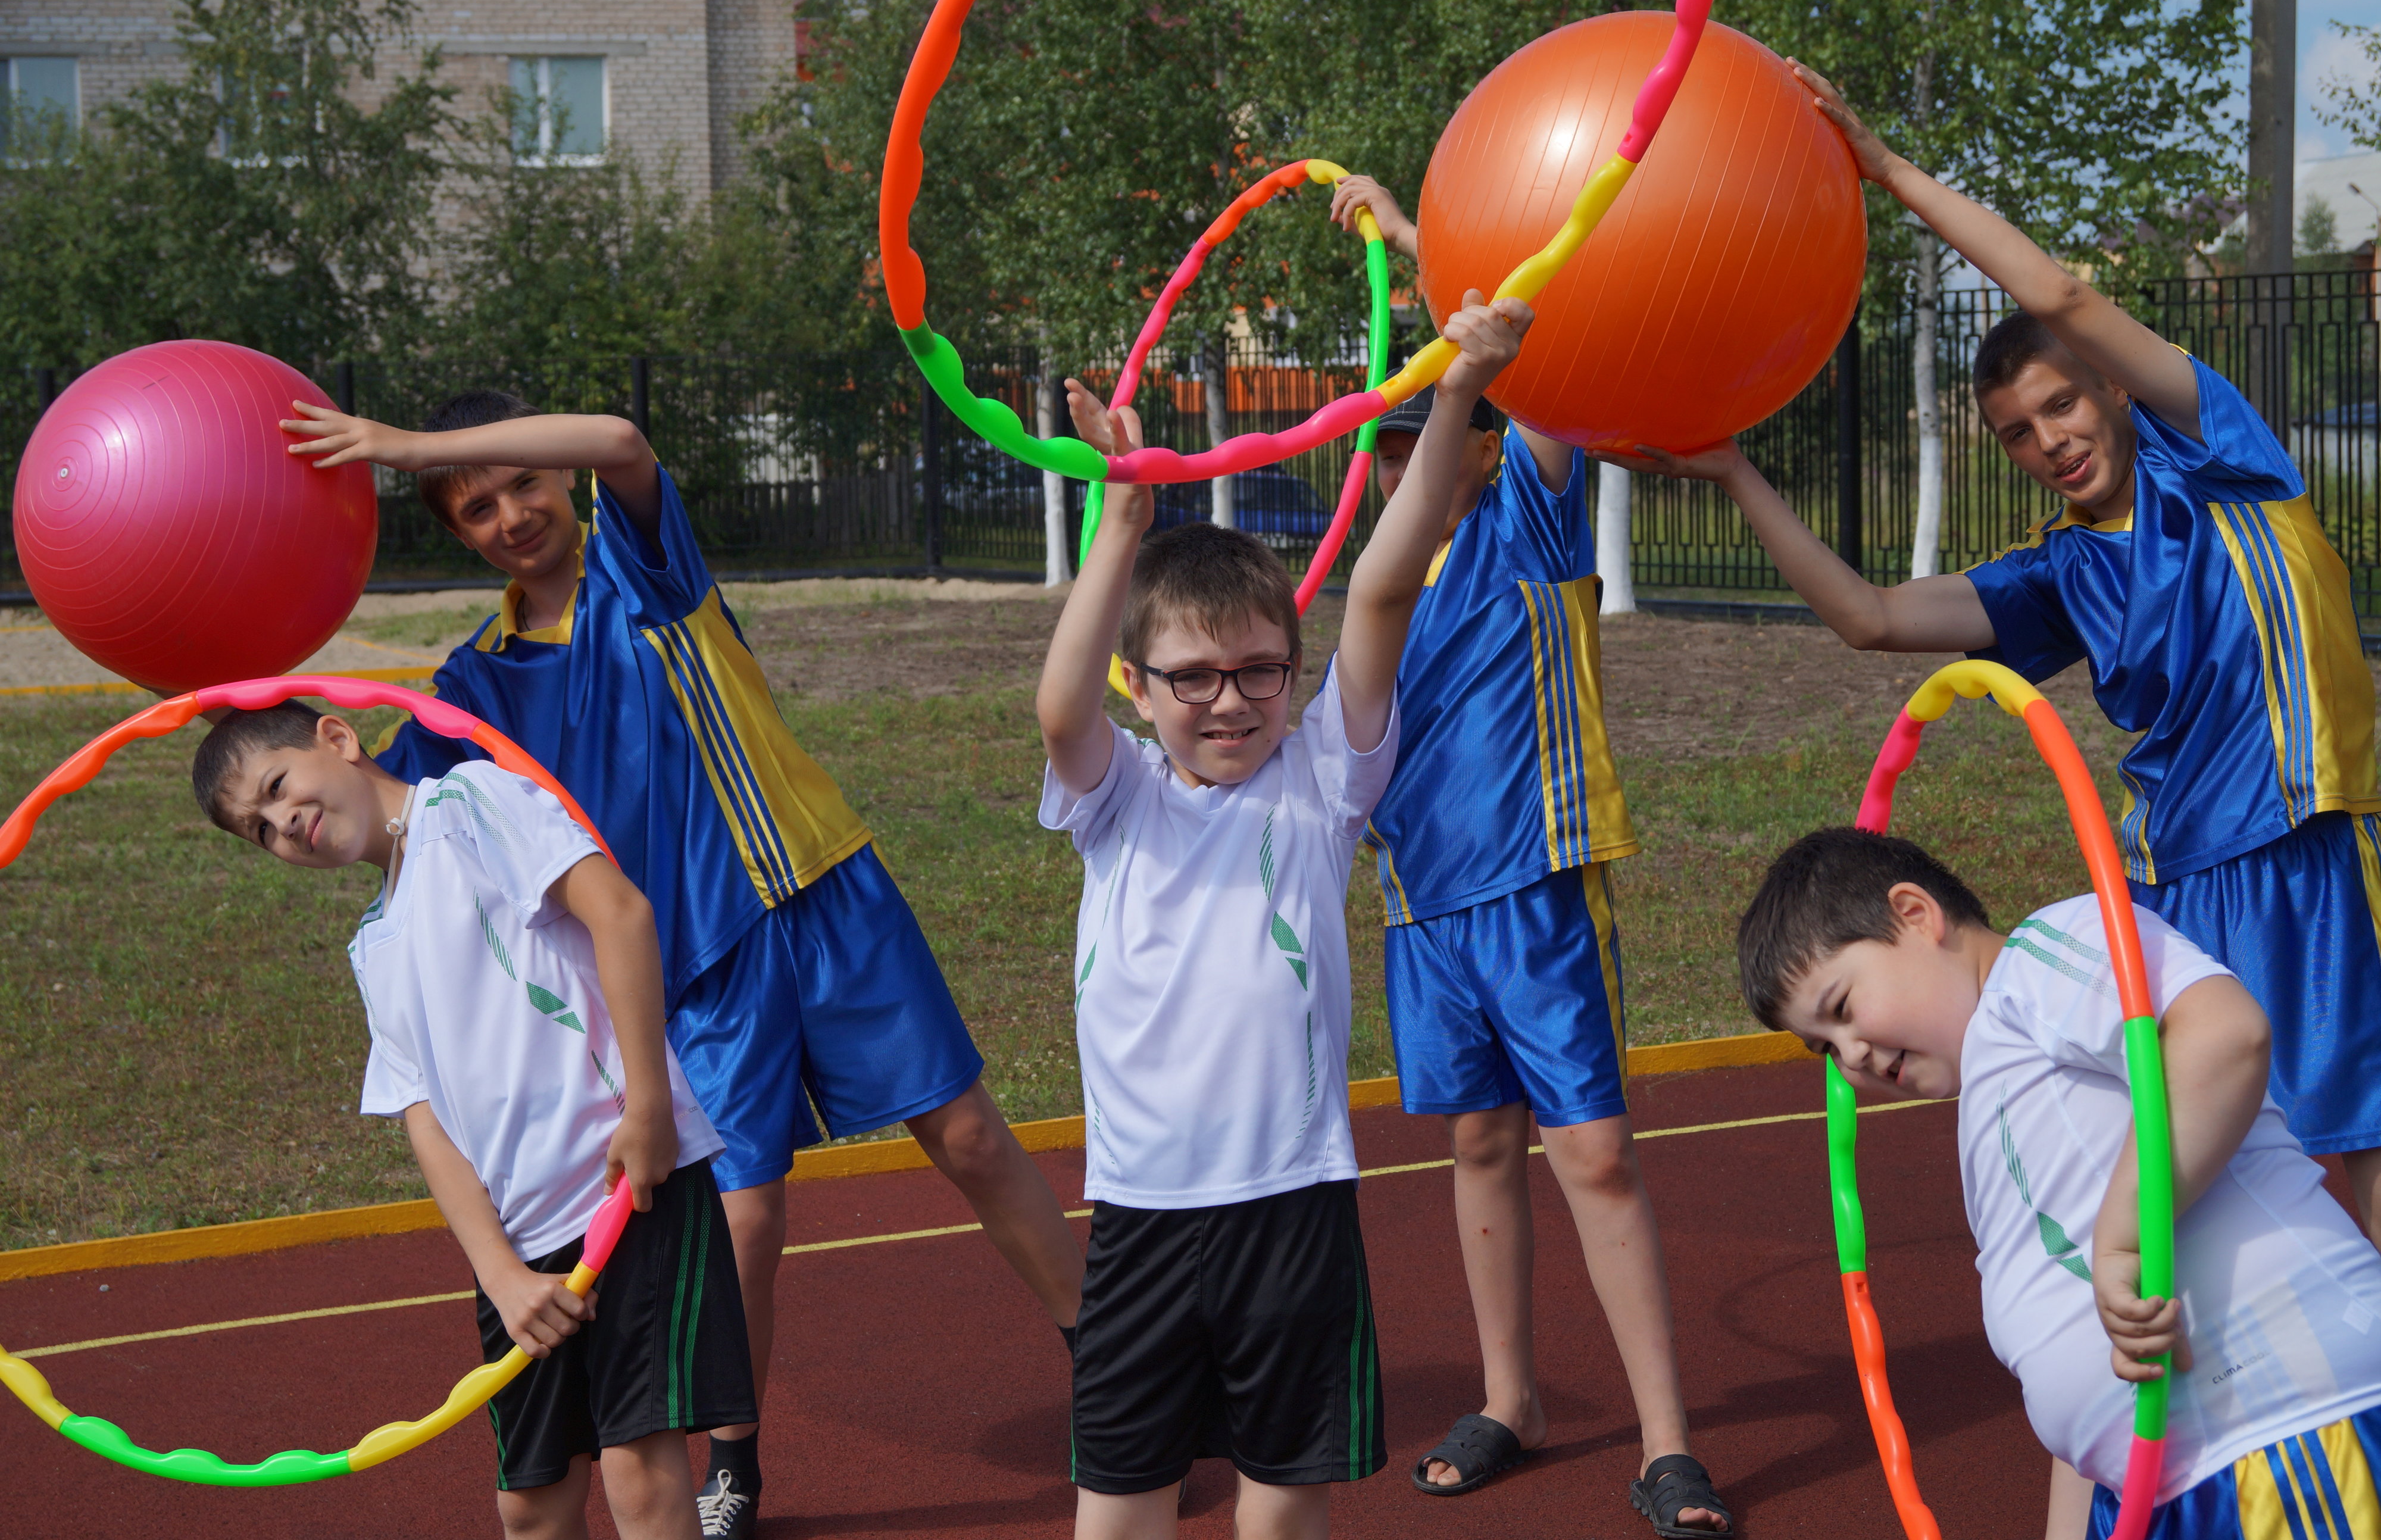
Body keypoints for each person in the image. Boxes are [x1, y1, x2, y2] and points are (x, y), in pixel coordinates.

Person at [277, 393, 1085, 1538]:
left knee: (967, 1135)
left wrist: (410, 449)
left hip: (818, 885)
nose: (512, 513)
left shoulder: (641, 568)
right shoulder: (470, 691)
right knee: (743, 1216)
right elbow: (359, 787)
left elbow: (621, 442)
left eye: (522, 483)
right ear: (458, 537)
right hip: (695, 961)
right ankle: (737, 1462)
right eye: (477, 507)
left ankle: (1110, 1373)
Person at [1598, 70, 2381, 1236]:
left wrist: (1884, 169)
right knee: (2207, 1166)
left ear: (2109, 387)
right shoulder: (2057, 571)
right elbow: (1866, 617)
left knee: (2359, 1149)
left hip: (2311, 840)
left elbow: (2055, 287)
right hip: (2179, 880)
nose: (2046, 440)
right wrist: (1732, 473)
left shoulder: (2220, 458)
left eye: (2059, 405)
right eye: (2015, 431)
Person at [1037, 286, 1527, 1539]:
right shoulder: (1117, 797)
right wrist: (1122, 520)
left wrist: (1458, 388)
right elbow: (1056, 711)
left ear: (1290, 675)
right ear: (1139, 688)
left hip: (1291, 1201)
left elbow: (1380, 583)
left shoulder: (1320, 776)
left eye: (1259, 669)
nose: (1228, 700)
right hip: (1142, 1210)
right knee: (1120, 1502)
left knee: (1280, 1501)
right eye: (1190, 677)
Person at [1327, 174, 1730, 1536]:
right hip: (1428, 916)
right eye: (1381, 450)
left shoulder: (1530, 519)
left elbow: (1538, 329)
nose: (1403, 465)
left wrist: (1404, 239)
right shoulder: (1366, 611)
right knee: (1480, 1143)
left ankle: (1666, 1439)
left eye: (1426, 436)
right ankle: (1513, 1396)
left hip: (1542, 892)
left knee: (1596, 1153)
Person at [190, 702, 754, 1540]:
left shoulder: (470, 804)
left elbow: (622, 914)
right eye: (258, 829)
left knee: (642, 1473)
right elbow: (424, 1116)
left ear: (338, 738)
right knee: (530, 1505)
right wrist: (497, 1270)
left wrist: (648, 1108)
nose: (282, 823)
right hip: (521, 1247)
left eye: (277, 787)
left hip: (626, 1192)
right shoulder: (372, 946)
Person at [1738, 826, 2381, 1538]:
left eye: (1842, 1007)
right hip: (2160, 1489)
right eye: (1822, 1048)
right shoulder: (1994, 1101)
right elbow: (2080, 1355)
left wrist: (2123, 1240)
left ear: (1915, 915)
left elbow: (2223, 1035)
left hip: (2284, 1430)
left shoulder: (2040, 956)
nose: (1850, 1054)